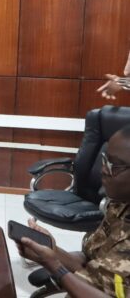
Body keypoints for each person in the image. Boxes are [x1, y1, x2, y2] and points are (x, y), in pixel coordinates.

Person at [15, 125, 130, 297]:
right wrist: (52, 250)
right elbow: (88, 263)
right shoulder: (120, 205)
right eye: (105, 160)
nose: (104, 170)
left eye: (115, 165)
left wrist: (55, 267)